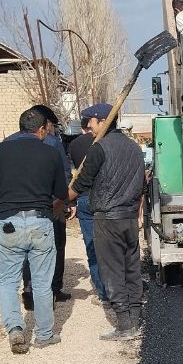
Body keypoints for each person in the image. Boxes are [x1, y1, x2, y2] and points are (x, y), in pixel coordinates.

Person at [0, 107, 67, 351]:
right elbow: (61, 191)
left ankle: (16, 329)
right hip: (40, 222)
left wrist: (4, 194)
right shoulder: (51, 152)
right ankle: (45, 334)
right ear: (41, 130)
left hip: (9, 223)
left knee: (7, 280)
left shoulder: (2, 149)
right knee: (41, 282)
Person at [68, 102, 146, 340]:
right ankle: (135, 317)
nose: (88, 126)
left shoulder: (98, 148)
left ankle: (124, 324)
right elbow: (142, 183)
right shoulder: (134, 147)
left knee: (111, 271)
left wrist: (63, 199)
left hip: (107, 218)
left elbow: (81, 184)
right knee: (131, 268)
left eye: (90, 121)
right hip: (129, 217)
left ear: (102, 121)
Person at [22, 103, 72, 309]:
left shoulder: (7, 142)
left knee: (26, 248)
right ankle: (54, 289)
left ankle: (29, 289)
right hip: (52, 204)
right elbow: (64, 173)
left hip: (21, 206)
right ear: (46, 124)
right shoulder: (52, 143)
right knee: (56, 245)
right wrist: (67, 201)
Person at [68, 111, 106, 300]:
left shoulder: (74, 145)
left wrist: (71, 200)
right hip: (107, 197)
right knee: (112, 244)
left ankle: (102, 291)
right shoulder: (104, 140)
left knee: (92, 246)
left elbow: (72, 173)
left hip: (84, 198)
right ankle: (118, 288)